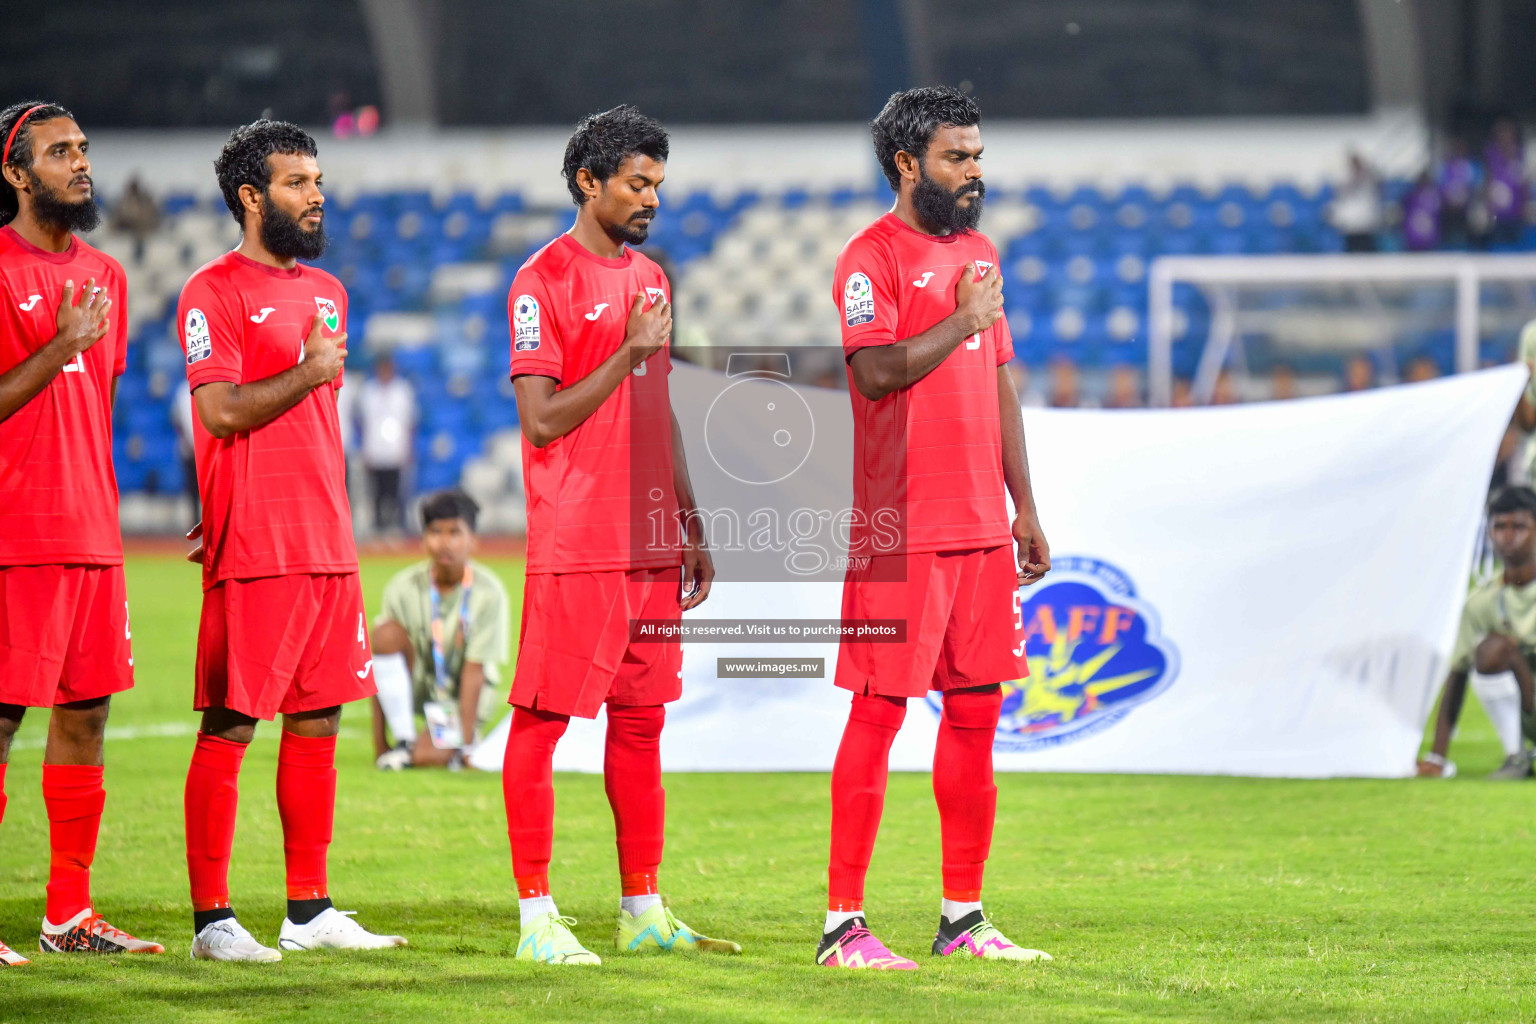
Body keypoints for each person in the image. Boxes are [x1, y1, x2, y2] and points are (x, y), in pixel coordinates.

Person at [823, 85, 1052, 970]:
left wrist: (1022, 504)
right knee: (878, 713)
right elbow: (875, 374)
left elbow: (998, 381)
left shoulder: (981, 251)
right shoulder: (867, 258)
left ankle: (963, 916)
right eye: (958, 158)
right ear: (906, 164)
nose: (974, 172)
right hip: (900, 531)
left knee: (976, 712)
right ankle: (842, 925)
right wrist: (960, 316)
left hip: (979, 532)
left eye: (979, 156)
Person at [503, 104, 737, 966]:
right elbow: (540, 421)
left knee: (641, 726)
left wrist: (690, 518)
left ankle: (642, 907)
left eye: (658, 186)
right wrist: (628, 353)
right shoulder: (542, 282)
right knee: (541, 724)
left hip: (647, 541)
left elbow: (657, 403)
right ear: (587, 182)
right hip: (580, 542)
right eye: (637, 184)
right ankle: (536, 917)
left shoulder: (651, 279)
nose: (650, 199)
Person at [176, 120, 405, 962]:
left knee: (318, 722)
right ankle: (212, 922)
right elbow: (222, 411)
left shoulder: (331, 291)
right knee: (234, 725)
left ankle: (308, 912)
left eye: (318, 179)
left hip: (327, 538)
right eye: (296, 181)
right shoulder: (212, 291)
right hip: (261, 542)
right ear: (250, 196)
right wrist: (307, 372)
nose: (316, 194)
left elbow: (315, 421)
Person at [0, 100, 162, 963]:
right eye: (59, 152)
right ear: (17, 173)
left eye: (84, 149)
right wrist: (59, 342)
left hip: (93, 531)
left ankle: (68, 914)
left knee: (86, 713)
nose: (80, 162)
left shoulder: (107, 271)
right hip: (14, 531)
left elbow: (89, 405)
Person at [371, 490, 510, 769]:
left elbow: (475, 670)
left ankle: (459, 743)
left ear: (474, 539)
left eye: (455, 532)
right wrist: (379, 747)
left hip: (460, 701)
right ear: (423, 538)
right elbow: (379, 667)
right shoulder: (402, 587)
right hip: (420, 689)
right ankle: (401, 741)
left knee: (428, 757)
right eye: (435, 532)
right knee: (383, 634)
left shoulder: (488, 592)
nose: (444, 542)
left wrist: (465, 742)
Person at [1418, 487, 1536, 780]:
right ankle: (1516, 758)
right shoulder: (1480, 602)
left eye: (1519, 526)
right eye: (1499, 527)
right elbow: (1457, 674)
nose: (1508, 537)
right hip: (1530, 706)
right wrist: (1437, 756)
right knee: (1491, 649)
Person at [358, 351, 413, 533]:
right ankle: (378, 529)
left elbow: (409, 423)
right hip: (375, 450)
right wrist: (365, 451)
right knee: (377, 495)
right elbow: (363, 424)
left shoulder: (402, 391)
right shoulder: (369, 391)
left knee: (396, 494)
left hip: (396, 451)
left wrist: (409, 450)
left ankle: (397, 528)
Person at [1331, 151, 1382, 253]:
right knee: (1351, 251)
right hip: (1351, 224)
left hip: (1366, 222)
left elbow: (1378, 188)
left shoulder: (1369, 178)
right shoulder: (1345, 178)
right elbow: (1340, 193)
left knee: (1367, 251)